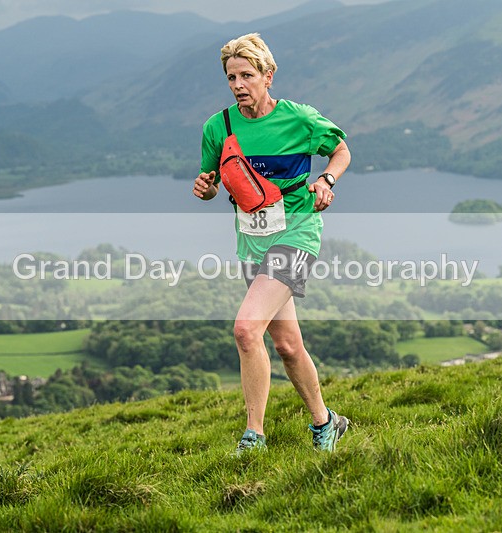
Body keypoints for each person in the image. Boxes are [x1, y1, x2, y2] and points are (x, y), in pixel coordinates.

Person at [193, 33, 351, 454]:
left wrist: (326, 180)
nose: (238, 85)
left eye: (247, 75)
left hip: (297, 233)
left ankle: (254, 436)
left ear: (269, 75)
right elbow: (212, 183)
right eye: (231, 77)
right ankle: (326, 422)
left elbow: (340, 151)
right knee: (286, 345)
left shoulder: (299, 119)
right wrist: (206, 189)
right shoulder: (219, 127)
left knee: (246, 329)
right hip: (252, 243)